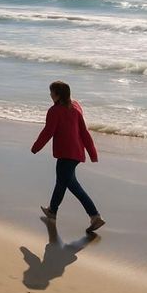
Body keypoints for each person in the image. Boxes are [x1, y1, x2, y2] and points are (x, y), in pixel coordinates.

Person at [31, 81, 105, 233]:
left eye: (51, 92)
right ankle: (52, 210)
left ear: (57, 95)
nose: (50, 95)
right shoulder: (75, 106)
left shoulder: (55, 111)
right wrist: (92, 153)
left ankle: (95, 216)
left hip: (66, 154)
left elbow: (48, 132)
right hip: (76, 153)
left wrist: (35, 147)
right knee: (62, 182)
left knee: (72, 186)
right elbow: (84, 132)